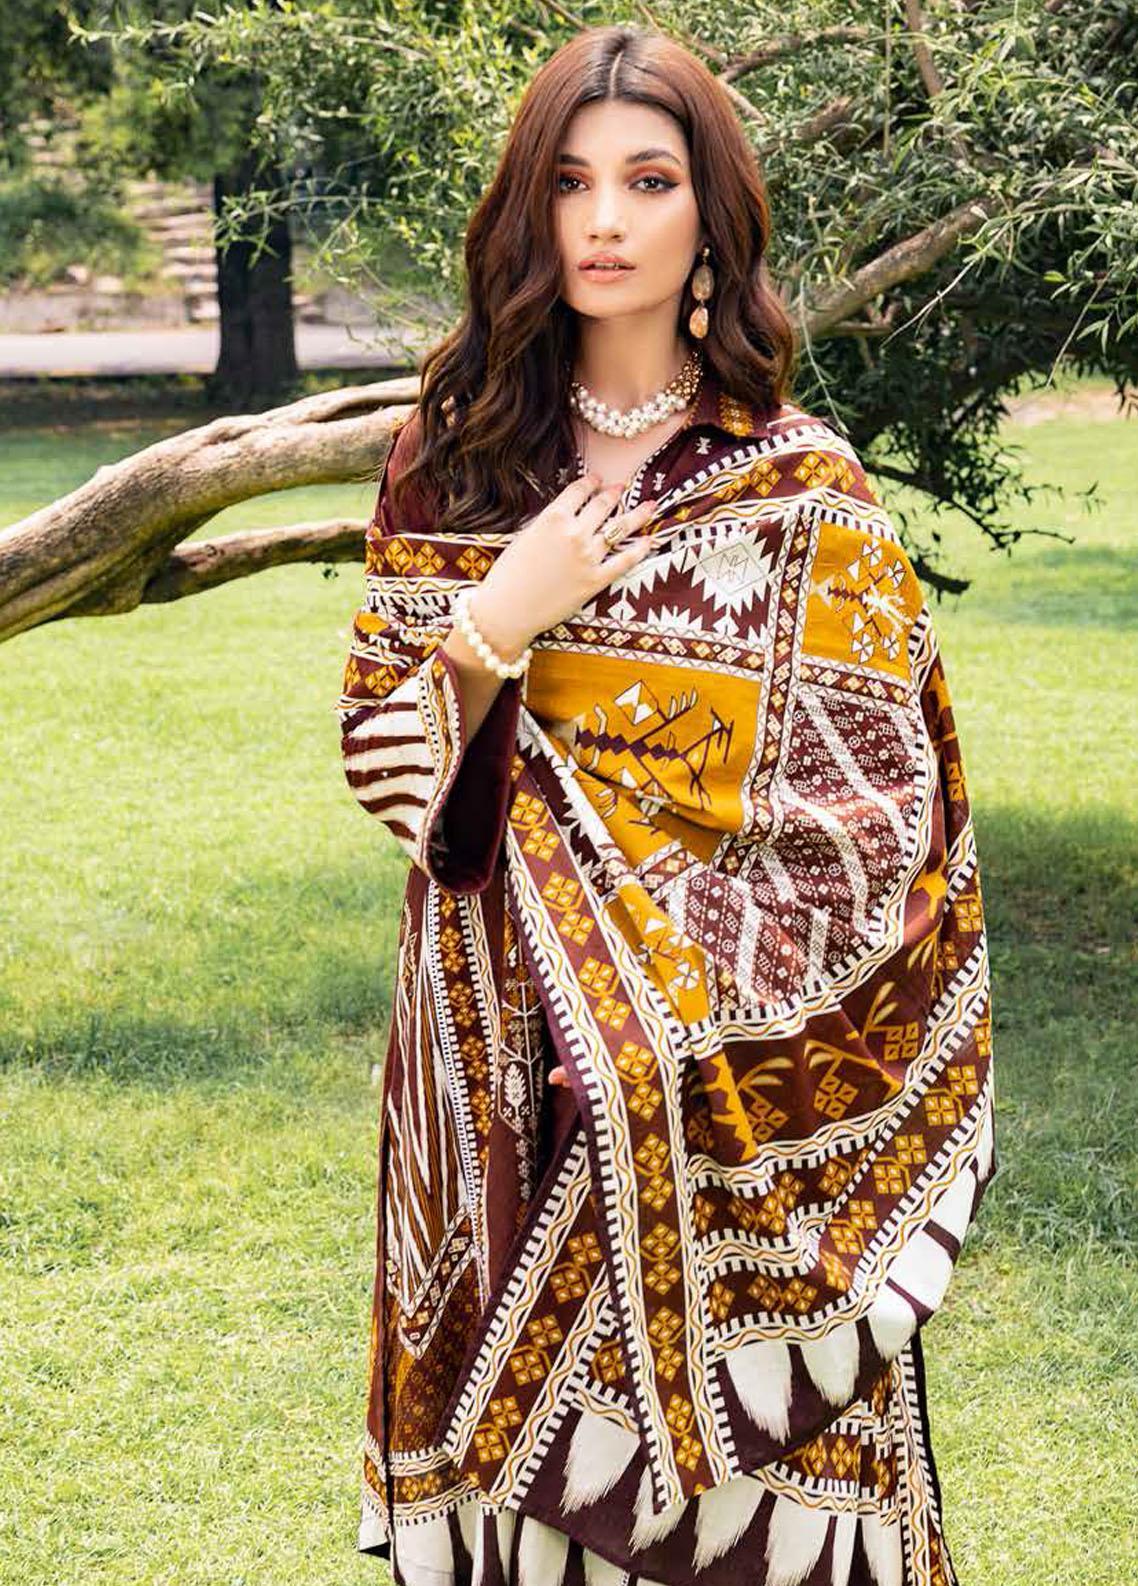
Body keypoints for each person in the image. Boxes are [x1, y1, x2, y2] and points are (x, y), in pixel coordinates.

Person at [335, 22, 995, 1586]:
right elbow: (381, 753)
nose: (604, 221)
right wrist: (499, 617)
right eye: (569, 183)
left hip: (729, 1074)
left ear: (711, 215)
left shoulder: (799, 489)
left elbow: (878, 826)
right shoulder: (451, 461)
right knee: (513, 1489)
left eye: (647, 180)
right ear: (528, 208)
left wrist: (669, 991)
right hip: (497, 1044)